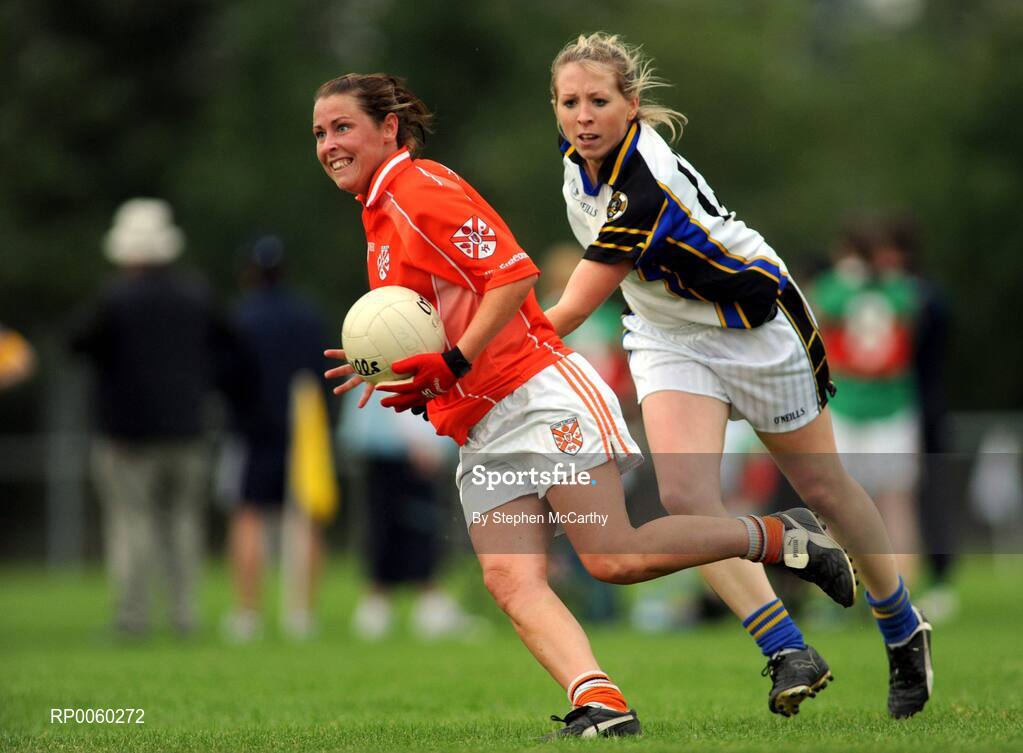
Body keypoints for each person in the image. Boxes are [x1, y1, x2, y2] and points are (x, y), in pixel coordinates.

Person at [314, 73, 854, 738]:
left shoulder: (417, 189)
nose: (328, 143)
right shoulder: (378, 211)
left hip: (535, 397)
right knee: (509, 578)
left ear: (388, 129)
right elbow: (441, 318)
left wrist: (453, 362)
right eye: (319, 133)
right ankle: (600, 702)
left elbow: (512, 274)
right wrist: (420, 380)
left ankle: (780, 535)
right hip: (482, 421)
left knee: (610, 556)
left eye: (342, 127)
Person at [542, 33, 933, 720]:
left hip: (758, 329)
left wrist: (464, 354)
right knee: (688, 499)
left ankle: (901, 627)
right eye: (569, 102)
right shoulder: (577, 163)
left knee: (824, 489)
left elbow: (572, 308)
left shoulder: (643, 180)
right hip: (668, 332)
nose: (583, 115)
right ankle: (786, 647)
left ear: (630, 105)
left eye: (598, 101)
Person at [69, 198, 237, 637]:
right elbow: (229, 348)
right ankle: (185, 616)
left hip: (127, 435)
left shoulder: (115, 298)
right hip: (189, 428)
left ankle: (133, 617)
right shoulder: (196, 293)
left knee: (132, 525)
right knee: (184, 524)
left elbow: (74, 343)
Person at [220, 235, 332, 641]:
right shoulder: (307, 316)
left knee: (249, 515)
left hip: (252, 432)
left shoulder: (239, 317)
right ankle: (302, 613)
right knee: (304, 519)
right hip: (304, 431)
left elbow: (228, 378)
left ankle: (247, 613)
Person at [812, 221, 924, 585]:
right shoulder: (900, 290)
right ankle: (901, 588)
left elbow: (814, 318)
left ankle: (842, 586)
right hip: (891, 404)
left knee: (837, 503)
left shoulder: (833, 290)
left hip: (849, 402)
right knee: (895, 503)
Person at [340, 386, 479, 641]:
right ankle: (411, 603)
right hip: (397, 445)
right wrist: (420, 441)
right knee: (404, 522)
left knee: (394, 521)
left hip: (386, 441)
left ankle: (394, 605)